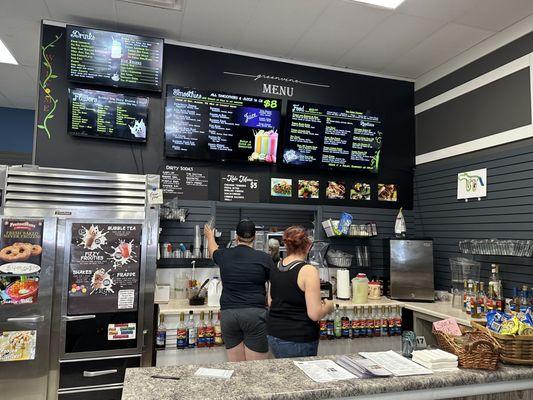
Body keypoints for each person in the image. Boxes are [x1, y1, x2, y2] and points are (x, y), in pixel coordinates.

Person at [204, 219, 273, 361]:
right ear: (254, 237)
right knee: (256, 368)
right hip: (254, 314)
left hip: (229, 315)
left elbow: (212, 250)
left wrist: (210, 236)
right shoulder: (264, 258)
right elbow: (274, 284)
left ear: (236, 237)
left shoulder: (224, 255)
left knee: (237, 366)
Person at [267, 226, 334, 358]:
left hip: (274, 335)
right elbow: (314, 314)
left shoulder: (275, 267)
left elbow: (270, 302)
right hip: (298, 338)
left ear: (286, 245)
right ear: (308, 245)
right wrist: (328, 306)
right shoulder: (308, 270)